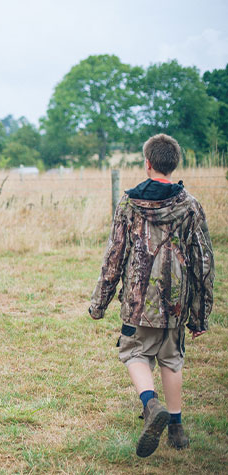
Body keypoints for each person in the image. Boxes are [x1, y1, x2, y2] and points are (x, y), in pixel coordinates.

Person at [89, 134, 214, 458]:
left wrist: (99, 302)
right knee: (172, 360)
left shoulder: (130, 203)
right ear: (174, 165)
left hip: (138, 302)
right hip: (176, 302)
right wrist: (200, 314)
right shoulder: (190, 205)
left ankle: (150, 403)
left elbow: (115, 255)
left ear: (147, 163)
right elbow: (203, 262)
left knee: (134, 353)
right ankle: (176, 428)